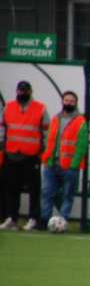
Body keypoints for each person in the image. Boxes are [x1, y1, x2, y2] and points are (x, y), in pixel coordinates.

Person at [0, 81, 50, 231]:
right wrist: (2, 145)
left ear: (30, 91)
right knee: (11, 188)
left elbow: (46, 131)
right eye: (20, 91)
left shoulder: (40, 108)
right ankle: (11, 218)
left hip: (31, 154)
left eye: (25, 91)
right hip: (12, 153)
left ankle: (33, 218)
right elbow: (3, 127)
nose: (22, 93)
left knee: (34, 189)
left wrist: (43, 150)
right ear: (17, 91)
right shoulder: (8, 107)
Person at [40, 91, 89, 226]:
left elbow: (82, 145)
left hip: (69, 166)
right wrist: (46, 157)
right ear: (62, 101)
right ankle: (45, 220)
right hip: (51, 164)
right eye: (66, 100)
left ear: (76, 103)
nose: (68, 103)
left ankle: (62, 220)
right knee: (47, 193)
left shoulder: (80, 121)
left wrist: (74, 164)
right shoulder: (56, 119)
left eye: (72, 101)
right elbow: (49, 139)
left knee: (68, 195)